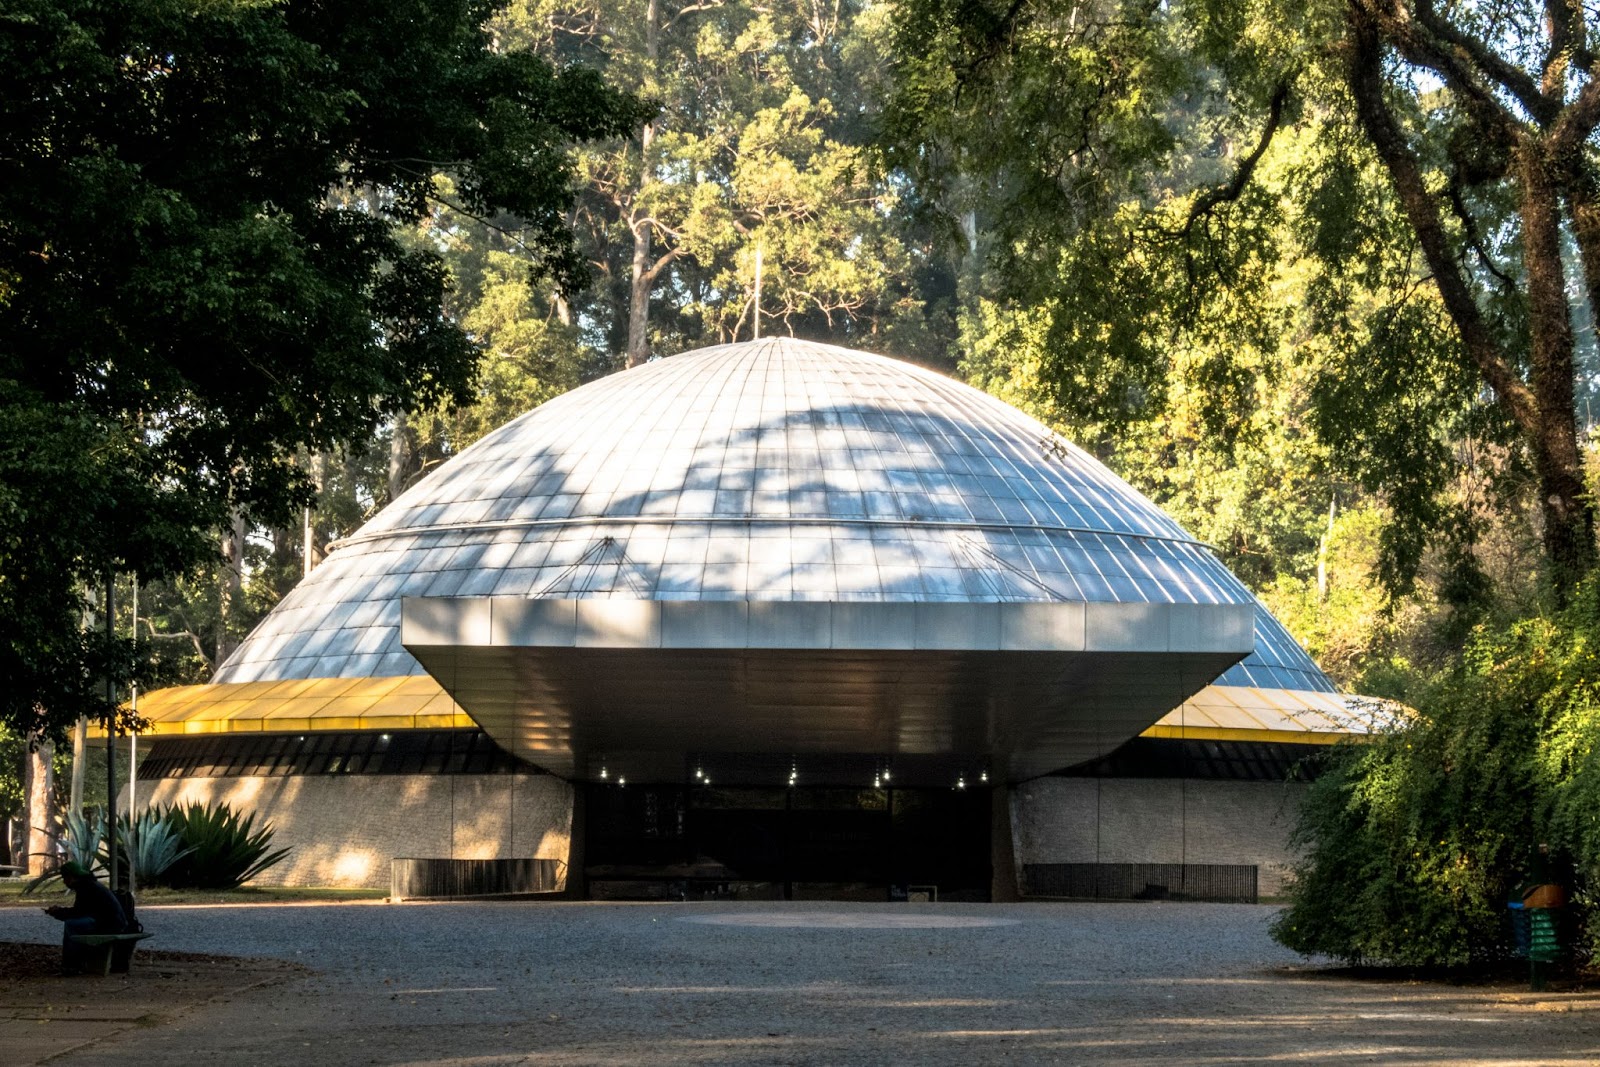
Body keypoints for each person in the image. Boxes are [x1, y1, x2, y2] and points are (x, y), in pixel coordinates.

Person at [43, 862, 127, 975]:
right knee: (76, 924)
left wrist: (58, 912)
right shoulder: (88, 885)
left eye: (65, 878)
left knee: (72, 925)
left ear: (71, 877)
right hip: (111, 922)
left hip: (109, 925)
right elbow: (82, 911)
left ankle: (70, 966)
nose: (64, 882)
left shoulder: (86, 888)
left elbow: (78, 912)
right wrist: (60, 912)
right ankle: (75, 963)